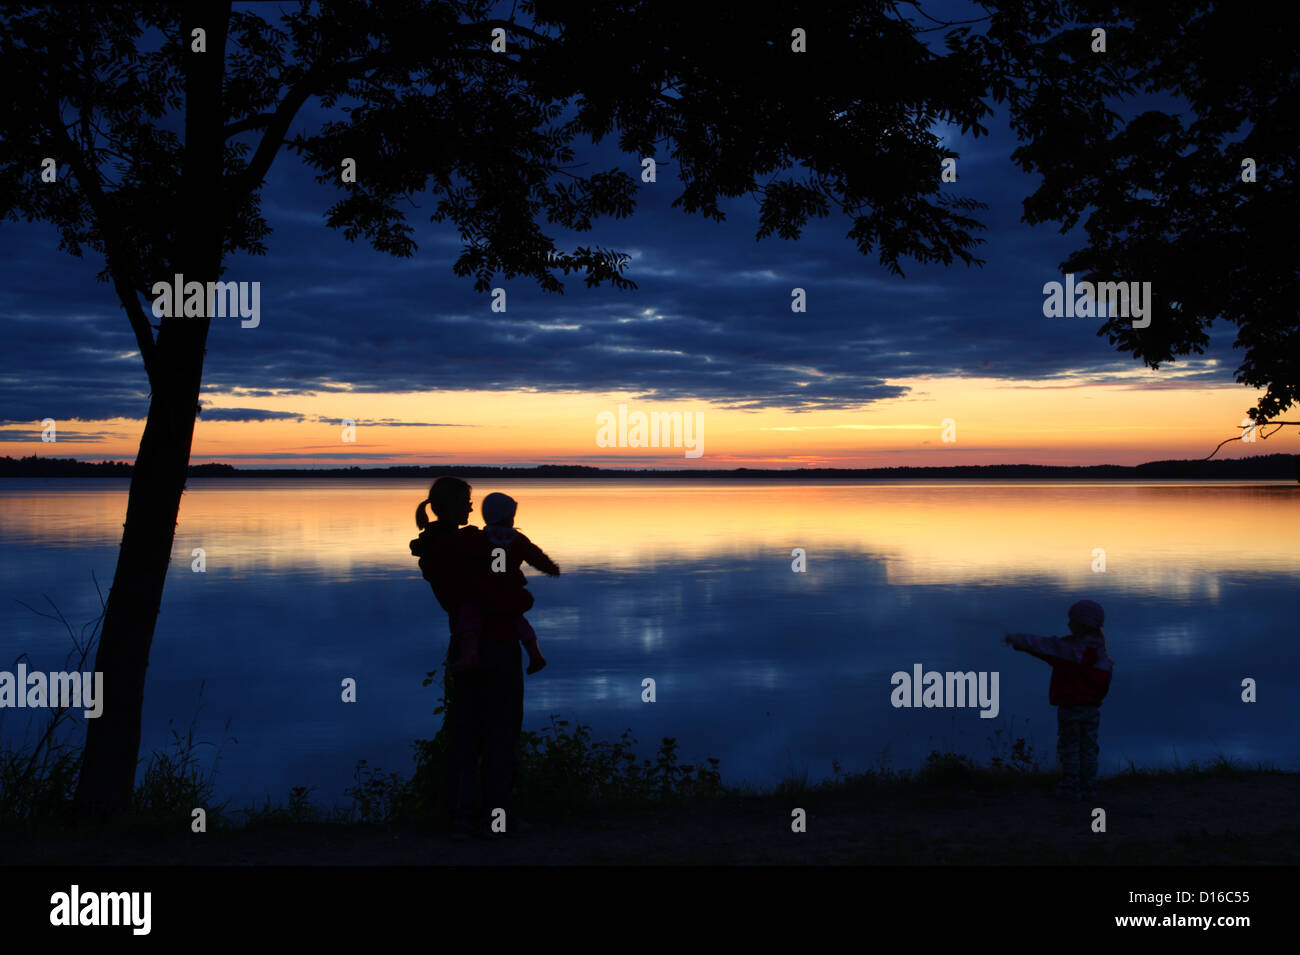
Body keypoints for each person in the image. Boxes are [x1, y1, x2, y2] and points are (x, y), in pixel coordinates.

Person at [409, 476, 532, 840]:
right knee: (501, 733)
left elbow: (492, 583)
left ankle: (463, 820)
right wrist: (520, 597)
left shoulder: (435, 547)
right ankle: (496, 820)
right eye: (465, 501)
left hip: (464, 646)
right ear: (446, 506)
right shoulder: (460, 545)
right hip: (495, 646)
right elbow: (500, 587)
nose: (470, 507)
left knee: (467, 734)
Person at [1004, 599, 1114, 802]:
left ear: (1081, 625)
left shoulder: (1069, 651)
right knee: (1089, 748)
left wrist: (1016, 640)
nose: (1068, 624)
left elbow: (1042, 646)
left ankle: (1070, 789)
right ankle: (1088, 788)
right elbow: (1104, 686)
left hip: (1070, 708)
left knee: (1069, 748)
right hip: (1092, 710)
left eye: (1072, 620)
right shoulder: (1101, 654)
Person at [453, 491, 560, 676]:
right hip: (506, 592)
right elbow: (534, 556)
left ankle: (470, 654)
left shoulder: (488, 539)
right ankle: (535, 655)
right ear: (507, 517)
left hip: (491, 592)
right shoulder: (511, 539)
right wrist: (550, 568)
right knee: (517, 621)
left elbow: (497, 566)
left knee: (470, 617)